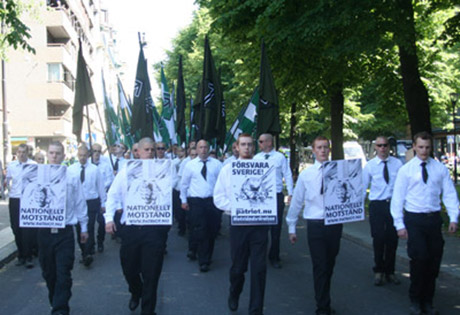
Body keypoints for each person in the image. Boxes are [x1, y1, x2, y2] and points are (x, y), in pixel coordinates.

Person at [391, 131, 459, 315]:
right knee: (419, 259)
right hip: (414, 220)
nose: (424, 151)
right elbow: (397, 199)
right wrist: (399, 224)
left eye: (427, 147)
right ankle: (416, 299)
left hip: (433, 219)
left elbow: (449, 194)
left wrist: (453, 217)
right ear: (414, 146)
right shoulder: (406, 170)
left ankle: (428, 300)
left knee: (433, 262)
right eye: (420, 147)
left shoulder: (439, 169)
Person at [105, 137, 170, 315]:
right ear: (138, 152)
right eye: (146, 150)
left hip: (154, 229)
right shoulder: (126, 170)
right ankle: (136, 291)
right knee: (129, 268)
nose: (150, 153)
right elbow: (113, 194)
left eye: (152, 150)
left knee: (152, 274)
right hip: (132, 228)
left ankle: (148, 311)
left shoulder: (164, 169)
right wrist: (109, 219)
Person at [214, 133, 270, 315]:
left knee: (259, 269)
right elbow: (218, 198)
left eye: (250, 145)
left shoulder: (264, 168)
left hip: (259, 225)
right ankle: (234, 292)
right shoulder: (227, 170)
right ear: (236, 147)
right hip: (238, 224)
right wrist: (237, 208)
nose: (247, 148)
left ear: (254, 147)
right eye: (243, 145)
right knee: (238, 268)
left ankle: (256, 309)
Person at [286, 136, 342, 315]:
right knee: (320, 265)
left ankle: (325, 298)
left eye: (326, 147)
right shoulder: (306, 175)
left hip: (334, 224)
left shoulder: (340, 171)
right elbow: (297, 201)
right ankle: (322, 306)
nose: (323, 150)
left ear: (330, 149)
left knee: (330, 264)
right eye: (319, 147)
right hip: (315, 225)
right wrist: (292, 227)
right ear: (314, 151)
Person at [38, 141, 88, 315]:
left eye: (58, 153)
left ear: (63, 156)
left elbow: (80, 202)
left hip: (64, 231)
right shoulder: (37, 176)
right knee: (49, 273)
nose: (54, 156)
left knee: (63, 272)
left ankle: (60, 309)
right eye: (51, 153)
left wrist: (84, 228)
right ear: (47, 155)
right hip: (44, 231)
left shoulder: (72, 177)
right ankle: (56, 300)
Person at [363, 136, 403, 286]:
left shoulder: (397, 164)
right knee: (378, 238)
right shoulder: (370, 166)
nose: (382, 148)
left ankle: (390, 271)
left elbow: (402, 185)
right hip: (377, 205)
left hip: (393, 204)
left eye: (385, 145)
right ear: (375, 147)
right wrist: (360, 207)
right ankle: (379, 270)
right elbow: (362, 185)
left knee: (392, 239)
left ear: (389, 146)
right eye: (379, 145)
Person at [181, 139, 222, 272]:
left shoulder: (217, 164)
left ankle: (206, 253)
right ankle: (203, 260)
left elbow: (222, 183)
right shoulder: (190, 165)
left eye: (205, 147)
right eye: (200, 147)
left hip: (212, 201)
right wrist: (183, 200)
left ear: (209, 149)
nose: (203, 150)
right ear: (196, 149)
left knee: (212, 230)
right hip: (196, 201)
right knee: (200, 229)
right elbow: (184, 184)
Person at [254, 133, 293, 268]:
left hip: (275, 195)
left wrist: (290, 193)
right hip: (261, 196)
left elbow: (287, 174)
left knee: (276, 228)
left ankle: (274, 256)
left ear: (269, 143)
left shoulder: (280, 157)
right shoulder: (256, 158)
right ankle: (259, 254)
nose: (259, 144)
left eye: (261, 141)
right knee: (260, 228)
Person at [68, 145, 106, 266]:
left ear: (88, 156)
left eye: (84, 155)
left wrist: (103, 202)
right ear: (77, 155)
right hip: (77, 203)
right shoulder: (71, 170)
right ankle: (84, 249)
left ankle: (87, 253)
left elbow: (100, 187)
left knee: (89, 227)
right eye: (80, 155)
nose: (82, 158)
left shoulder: (94, 169)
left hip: (91, 202)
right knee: (79, 228)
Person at [5, 143, 37, 268]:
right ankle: (21, 254)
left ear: (27, 153)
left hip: (27, 199)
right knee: (16, 227)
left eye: (23, 152)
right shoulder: (12, 166)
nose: (21, 154)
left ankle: (28, 256)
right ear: (16, 153)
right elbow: (8, 181)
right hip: (15, 199)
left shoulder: (33, 165)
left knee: (27, 229)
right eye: (19, 152)